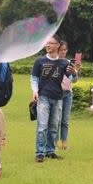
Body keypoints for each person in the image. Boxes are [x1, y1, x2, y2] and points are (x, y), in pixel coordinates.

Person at [31, 35, 73, 163]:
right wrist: (35, 91)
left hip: (58, 97)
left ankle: (50, 151)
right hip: (43, 96)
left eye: (51, 43)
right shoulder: (39, 61)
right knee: (42, 126)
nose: (47, 45)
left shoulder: (64, 63)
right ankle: (39, 153)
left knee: (54, 126)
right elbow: (34, 78)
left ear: (57, 46)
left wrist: (74, 71)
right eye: (46, 43)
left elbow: (70, 78)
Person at [57, 41, 79, 151]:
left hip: (68, 94)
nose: (63, 52)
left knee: (65, 120)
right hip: (57, 93)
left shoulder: (69, 62)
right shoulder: (54, 62)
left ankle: (64, 142)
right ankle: (54, 143)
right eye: (61, 50)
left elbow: (75, 80)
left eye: (65, 50)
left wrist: (75, 72)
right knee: (57, 119)